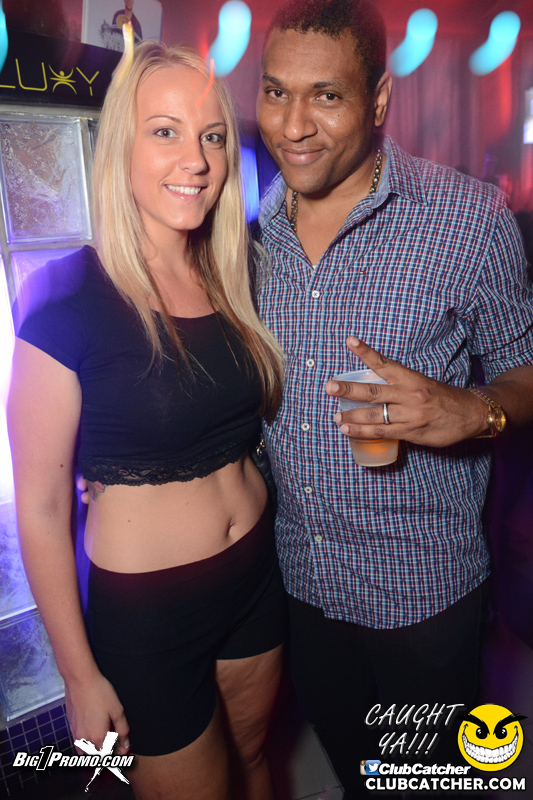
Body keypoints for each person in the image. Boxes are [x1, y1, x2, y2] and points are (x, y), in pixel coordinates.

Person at [254, 0, 533, 796]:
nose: (293, 126)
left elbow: (524, 371)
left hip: (422, 593)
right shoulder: (251, 230)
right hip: (302, 583)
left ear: (377, 100)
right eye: (275, 93)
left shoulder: (468, 221)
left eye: (326, 96)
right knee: (355, 769)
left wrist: (471, 410)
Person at [8, 41, 285, 800]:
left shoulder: (235, 274)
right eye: (165, 132)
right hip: (149, 615)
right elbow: (40, 506)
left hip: (256, 576)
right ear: (120, 147)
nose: (195, 160)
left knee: (255, 760)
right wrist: (78, 673)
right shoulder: (64, 297)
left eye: (212, 136)